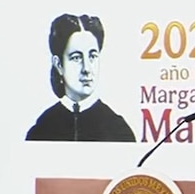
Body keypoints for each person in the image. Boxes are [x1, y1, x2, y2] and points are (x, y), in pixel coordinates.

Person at [25, 13, 136, 142]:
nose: (86, 69)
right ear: (59, 64)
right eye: (76, 58)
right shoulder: (42, 129)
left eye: (92, 56)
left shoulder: (118, 129)